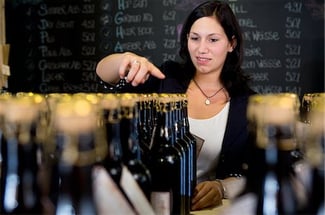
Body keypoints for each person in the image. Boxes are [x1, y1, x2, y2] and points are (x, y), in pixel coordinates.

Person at [96, 0, 255, 211]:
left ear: (231, 44)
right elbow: (105, 80)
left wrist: (221, 187)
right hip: (149, 205)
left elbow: (256, 173)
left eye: (213, 40)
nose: (201, 49)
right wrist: (126, 60)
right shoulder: (166, 78)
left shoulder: (247, 105)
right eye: (195, 38)